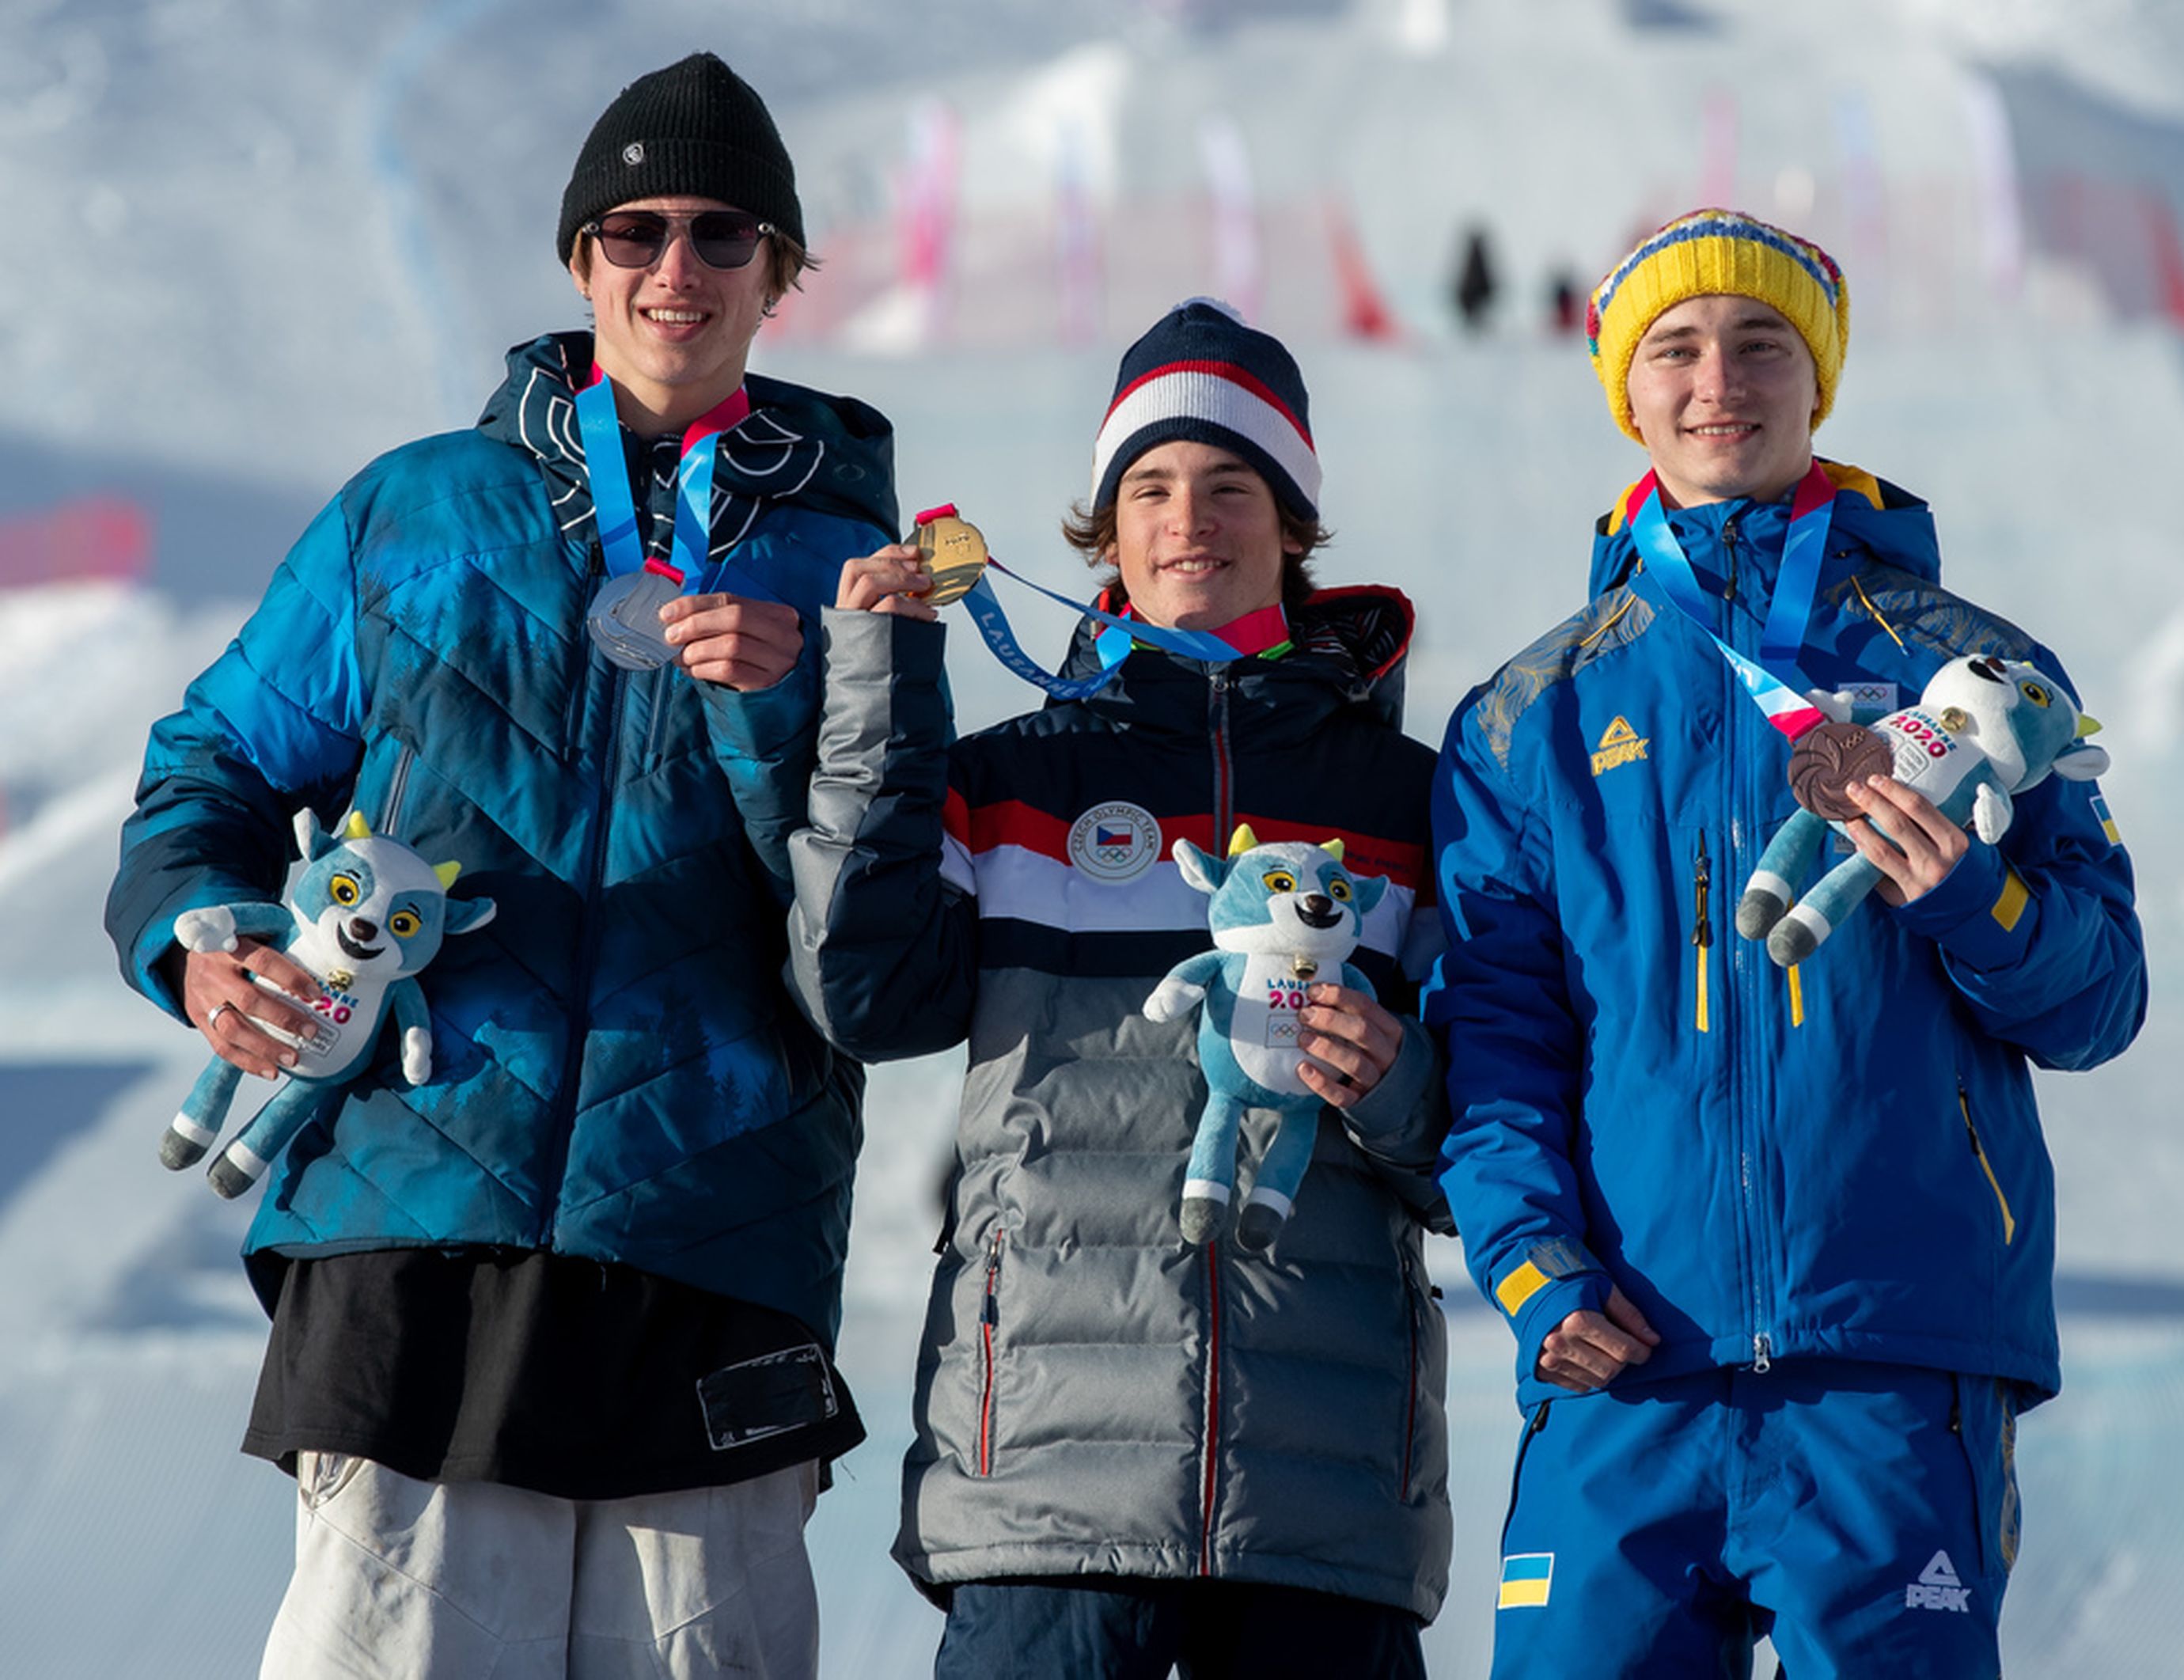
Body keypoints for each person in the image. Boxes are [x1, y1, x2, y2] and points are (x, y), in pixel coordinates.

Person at [104, 52, 897, 1679]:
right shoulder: (418, 512)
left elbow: (887, 912)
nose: (675, 269)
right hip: (414, 1200)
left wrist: (804, 695)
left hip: (715, 1215)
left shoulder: (853, 571)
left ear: (784, 270)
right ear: (577, 259)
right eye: (634, 230)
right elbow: (217, 764)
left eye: (723, 234)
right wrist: (202, 933)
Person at [1425, 208, 2145, 1679]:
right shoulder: (1533, 715)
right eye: (1675, 349)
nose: (1719, 381)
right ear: (1627, 391)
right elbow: (1494, 1038)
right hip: (1627, 1362)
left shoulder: (1967, 673)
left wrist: (1973, 905)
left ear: (1817, 381)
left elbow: (2101, 997)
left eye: (1762, 344)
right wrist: (1531, 1270)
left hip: (1891, 1359)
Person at [787, 298, 1454, 1678]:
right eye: (1149, 487)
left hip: (1319, 1498)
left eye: (1229, 486)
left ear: (1292, 525)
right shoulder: (1014, 778)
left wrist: (1399, 1080)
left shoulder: (1410, 805)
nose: (1187, 519)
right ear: (1107, 526)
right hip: (1039, 1475)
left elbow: (1492, 1137)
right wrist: (885, 688)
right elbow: (867, 993)